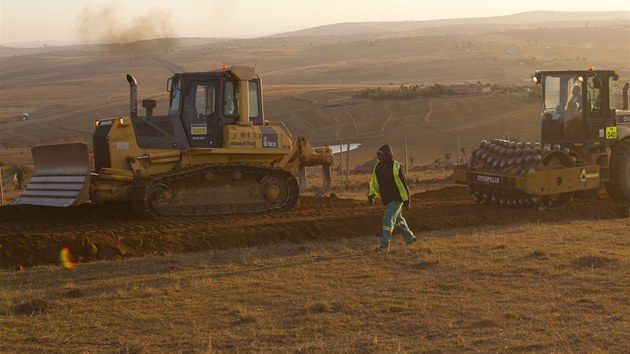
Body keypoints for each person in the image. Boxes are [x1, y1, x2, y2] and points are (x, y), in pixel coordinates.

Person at [368, 144, 416, 252]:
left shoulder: (396, 166)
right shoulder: (378, 168)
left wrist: (407, 200)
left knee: (387, 218)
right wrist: (371, 195)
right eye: (379, 155)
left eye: (382, 155)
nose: (380, 157)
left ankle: (384, 246)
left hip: (397, 199)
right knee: (399, 219)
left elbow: (403, 184)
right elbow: (374, 183)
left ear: (388, 155)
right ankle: (410, 238)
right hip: (387, 199)